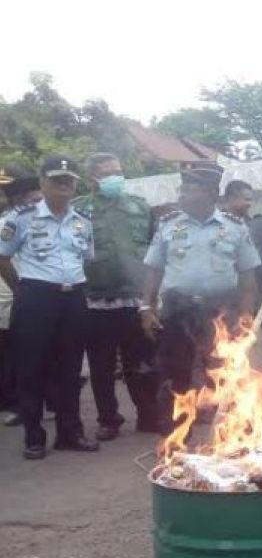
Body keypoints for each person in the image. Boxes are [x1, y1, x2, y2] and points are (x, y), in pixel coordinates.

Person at [141, 163, 259, 434]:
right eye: (183, 188)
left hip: (220, 310)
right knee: (173, 373)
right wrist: (146, 307)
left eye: (190, 189)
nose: (182, 194)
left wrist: (246, 316)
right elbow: (153, 269)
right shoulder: (168, 224)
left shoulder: (235, 227)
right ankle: (176, 436)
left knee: (225, 371)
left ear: (210, 192)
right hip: (177, 309)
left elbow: (247, 278)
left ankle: (229, 436)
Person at [0, 157, 99, 458]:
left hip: (73, 299)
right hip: (36, 297)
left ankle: (70, 432)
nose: (64, 185)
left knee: (70, 369)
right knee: (32, 368)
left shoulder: (82, 221)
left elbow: (87, 259)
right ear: (42, 182)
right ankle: (34, 437)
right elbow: (2, 257)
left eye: (69, 179)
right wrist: (22, 289)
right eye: (57, 179)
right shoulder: (21, 219)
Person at [75, 153, 159, 439]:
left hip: (135, 300)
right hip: (97, 300)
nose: (115, 177)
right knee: (101, 365)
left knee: (141, 362)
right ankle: (109, 419)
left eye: (118, 171)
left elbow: (154, 251)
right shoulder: (80, 210)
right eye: (108, 172)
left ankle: (147, 414)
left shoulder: (140, 207)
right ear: (93, 179)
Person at [0, 166, 41, 425]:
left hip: (27, 294)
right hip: (13, 294)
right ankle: (17, 402)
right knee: (14, 353)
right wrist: (19, 290)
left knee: (25, 352)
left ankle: (27, 401)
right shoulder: (9, 222)